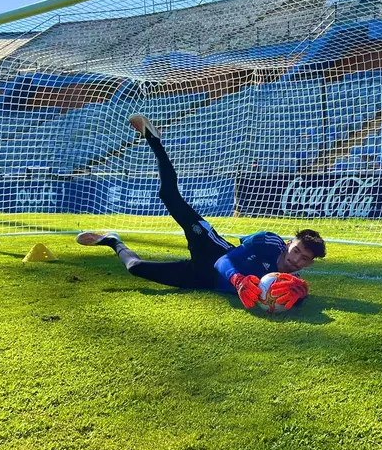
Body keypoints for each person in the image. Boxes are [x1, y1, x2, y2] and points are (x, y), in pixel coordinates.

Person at [77, 114, 326, 310]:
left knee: (136, 268)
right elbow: (224, 260)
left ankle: (112, 240)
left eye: (304, 259)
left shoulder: (288, 283)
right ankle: (153, 139)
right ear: (288, 243)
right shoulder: (268, 241)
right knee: (169, 196)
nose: (296, 260)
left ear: (310, 263)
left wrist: (299, 298)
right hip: (213, 250)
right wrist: (238, 280)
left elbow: (281, 300)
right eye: (296, 252)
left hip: (203, 279)